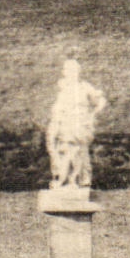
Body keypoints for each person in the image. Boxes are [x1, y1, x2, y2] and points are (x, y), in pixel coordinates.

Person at [46, 59, 106, 188]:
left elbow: (100, 101)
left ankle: (77, 180)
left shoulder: (84, 87)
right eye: (68, 70)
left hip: (80, 124)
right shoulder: (62, 87)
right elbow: (57, 107)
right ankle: (63, 179)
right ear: (64, 72)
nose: (71, 73)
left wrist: (92, 115)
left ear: (78, 72)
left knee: (78, 151)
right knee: (62, 150)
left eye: (74, 71)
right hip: (64, 123)